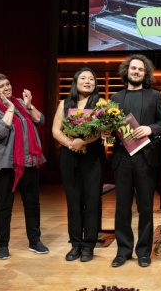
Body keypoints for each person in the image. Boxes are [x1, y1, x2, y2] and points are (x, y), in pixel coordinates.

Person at [0, 73, 48, 260]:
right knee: (4, 206)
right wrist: (10, 108)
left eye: (8, 84)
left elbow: (39, 120)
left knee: (32, 204)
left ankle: (35, 241)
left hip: (28, 162)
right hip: (5, 165)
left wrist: (29, 106)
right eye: (1, 86)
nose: (7, 88)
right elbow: (1, 131)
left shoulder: (20, 103)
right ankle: (2, 245)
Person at [109, 55, 161, 268]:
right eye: (133, 68)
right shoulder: (115, 98)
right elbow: (112, 130)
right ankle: (123, 251)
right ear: (127, 71)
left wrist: (151, 129)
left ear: (145, 73)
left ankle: (143, 251)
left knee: (146, 208)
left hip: (146, 158)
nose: (136, 72)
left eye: (140, 69)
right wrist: (106, 132)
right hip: (122, 158)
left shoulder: (155, 96)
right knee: (122, 208)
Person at [52, 68, 109, 262]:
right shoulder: (65, 103)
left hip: (93, 156)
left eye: (91, 79)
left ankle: (89, 245)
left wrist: (83, 142)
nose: (87, 81)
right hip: (70, 155)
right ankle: (75, 244)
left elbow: (104, 128)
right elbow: (55, 130)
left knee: (92, 201)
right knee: (73, 202)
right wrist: (70, 144)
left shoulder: (101, 103)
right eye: (83, 78)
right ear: (75, 82)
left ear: (95, 83)